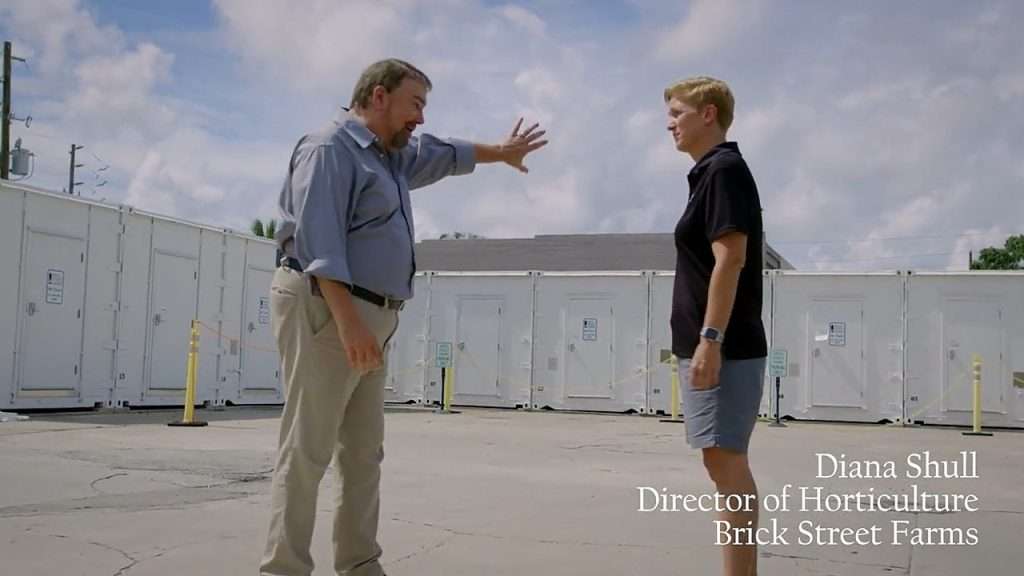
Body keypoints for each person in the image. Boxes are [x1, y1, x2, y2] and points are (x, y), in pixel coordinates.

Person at [261, 58, 548, 576]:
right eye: (415, 104)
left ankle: (359, 564)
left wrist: (500, 154)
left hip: (371, 317)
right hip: (328, 308)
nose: (420, 117)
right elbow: (318, 244)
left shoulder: (391, 157)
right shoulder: (330, 149)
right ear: (377, 96)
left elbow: (443, 152)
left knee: (363, 454)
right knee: (307, 450)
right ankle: (283, 569)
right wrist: (349, 325)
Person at [665, 76, 768, 576]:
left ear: (709, 114)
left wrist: (710, 340)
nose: (670, 123)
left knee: (726, 464)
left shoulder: (724, 170)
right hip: (712, 345)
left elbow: (732, 260)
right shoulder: (709, 174)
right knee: (720, 462)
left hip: (725, 346)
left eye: (677, 112)